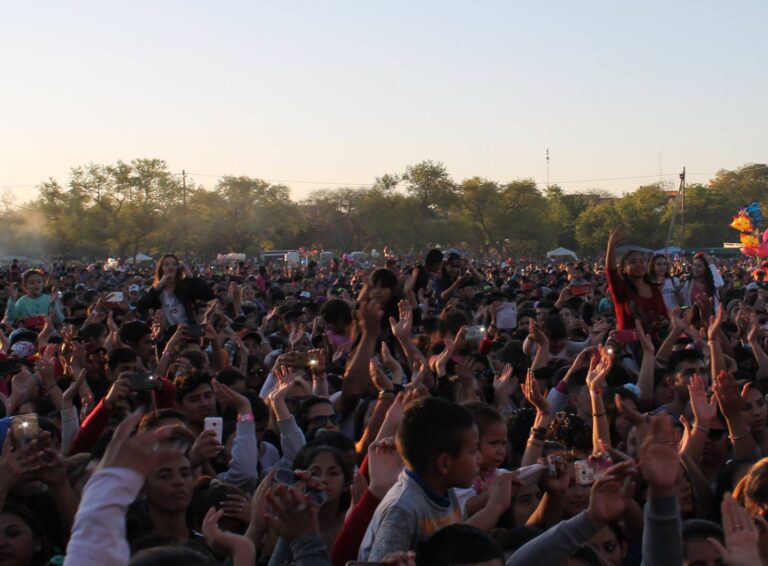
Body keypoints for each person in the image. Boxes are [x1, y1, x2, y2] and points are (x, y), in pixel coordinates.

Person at [605, 226, 668, 337]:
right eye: (633, 262)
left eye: (641, 261)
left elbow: (665, 315)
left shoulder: (654, 288)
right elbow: (611, 271)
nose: (638, 264)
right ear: (624, 268)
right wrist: (611, 245)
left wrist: (664, 322)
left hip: (656, 344)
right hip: (631, 346)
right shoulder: (621, 290)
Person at [137, 254, 214, 328]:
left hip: (187, 332)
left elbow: (209, 296)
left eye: (174, 264)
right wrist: (160, 284)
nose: (170, 267)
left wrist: (191, 276)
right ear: (161, 268)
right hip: (165, 335)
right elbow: (141, 308)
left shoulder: (186, 287)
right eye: (166, 265)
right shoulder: (156, 290)